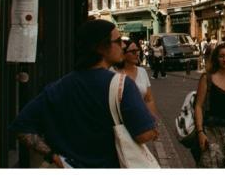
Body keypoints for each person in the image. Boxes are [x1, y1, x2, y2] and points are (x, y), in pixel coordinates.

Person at [10, 19, 158, 168]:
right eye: (118, 41)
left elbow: (22, 126)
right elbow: (143, 134)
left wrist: (53, 156)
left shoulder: (58, 87)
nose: (123, 46)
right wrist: (153, 127)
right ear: (101, 47)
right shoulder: (122, 85)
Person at [113, 38, 159, 119]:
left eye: (137, 50)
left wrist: (152, 117)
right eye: (133, 51)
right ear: (123, 54)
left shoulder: (142, 72)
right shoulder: (114, 73)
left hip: (142, 119)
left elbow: (149, 99)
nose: (137, 54)